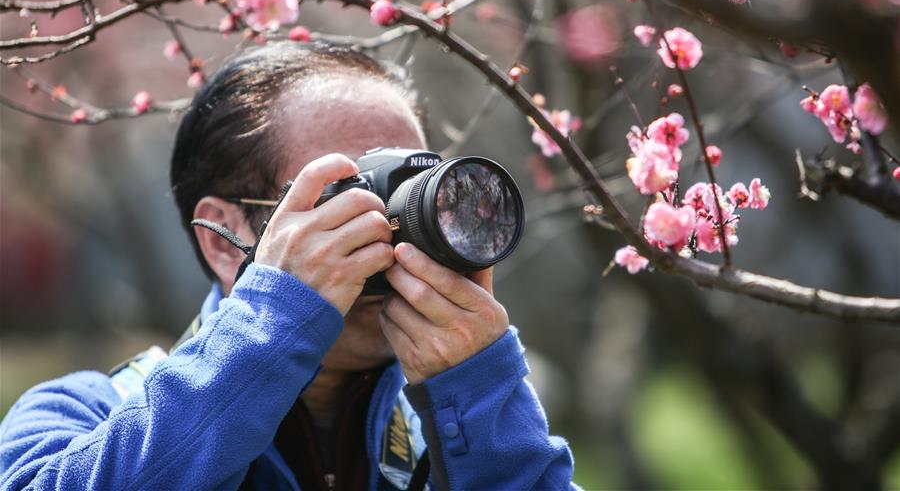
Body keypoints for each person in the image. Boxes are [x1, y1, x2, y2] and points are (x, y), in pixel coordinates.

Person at [0, 43, 577, 490]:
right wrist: (273, 323)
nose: (391, 227)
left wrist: (481, 394)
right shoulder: (89, 414)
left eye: (410, 189)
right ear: (227, 241)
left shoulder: (459, 429)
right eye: (347, 196)